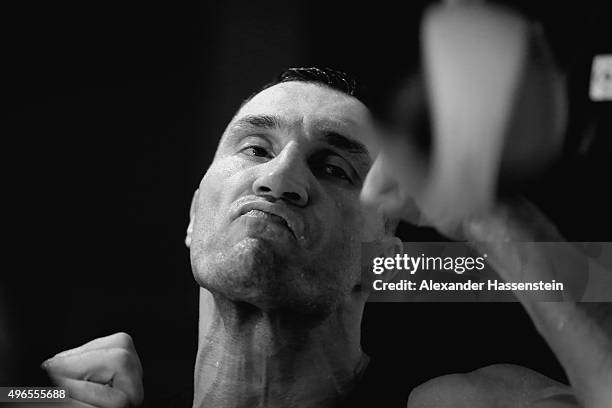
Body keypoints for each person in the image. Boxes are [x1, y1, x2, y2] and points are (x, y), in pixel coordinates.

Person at [41, 67, 611, 408]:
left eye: (334, 168)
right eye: (255, 149)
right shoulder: (94, 392)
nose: (280, 178)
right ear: (193, 215)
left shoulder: (467, 403)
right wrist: (28, 391)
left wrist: (499, 222)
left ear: (384, 253)